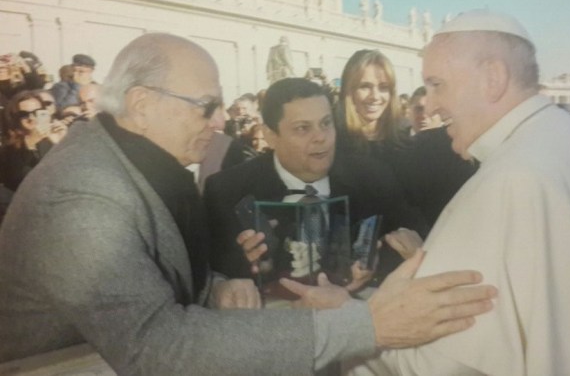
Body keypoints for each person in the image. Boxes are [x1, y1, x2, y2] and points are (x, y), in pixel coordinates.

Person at [0, 33, 497, 375]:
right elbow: (157, 347)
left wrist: (217, 289)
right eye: (206, 106)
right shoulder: (81, 197)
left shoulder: (128, 163)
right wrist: (367, 325)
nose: (219, 123)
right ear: (142, 104)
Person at [345, 9, 570, 376]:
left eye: (438, 85)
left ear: (493, 78)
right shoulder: (565, 137)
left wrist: (343, 318)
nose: (431, 105)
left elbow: (444, 364)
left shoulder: (513, 178)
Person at [203, 77, 427, 284]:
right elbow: (212, 277)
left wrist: (377, 265)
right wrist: (245, 267)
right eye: (303, 128)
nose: (321, 137)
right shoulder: (227, 191)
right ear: (270, 135)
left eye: (326, 123)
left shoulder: (373, 178)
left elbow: (416, 241)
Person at [335, 49, 475, 234]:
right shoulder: (334, 150)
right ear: (348, 91)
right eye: (365, 86)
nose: (375, 96)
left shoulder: (409, 146)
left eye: (383, 87)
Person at [0, 90, 66, 192]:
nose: (31, 117)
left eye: (37, 112)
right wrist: (30, 142)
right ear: (15, 119)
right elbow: (13, 180)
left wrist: (62, 143)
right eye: (23, 114)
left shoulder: (55, 137)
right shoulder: (10, 149)